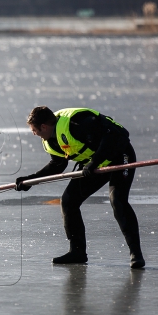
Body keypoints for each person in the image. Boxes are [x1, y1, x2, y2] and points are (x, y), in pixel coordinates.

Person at [15, 106, 145, 269]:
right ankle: (77, 252)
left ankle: (136, 255)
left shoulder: (76, 124)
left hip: (120, 155)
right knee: (69, 201)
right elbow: (57, 164)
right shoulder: (51, 139)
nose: (34, 134)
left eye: (34, 130)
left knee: (117, 200)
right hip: (95, 165)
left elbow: (116, 136)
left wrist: (94, 162)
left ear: (44, 127)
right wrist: (30, 181)